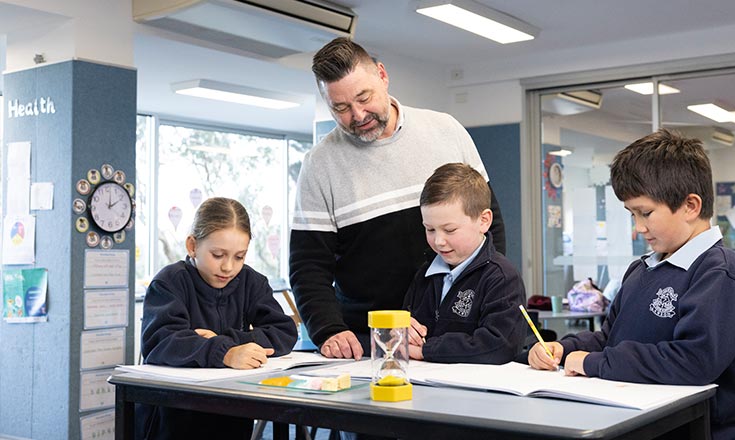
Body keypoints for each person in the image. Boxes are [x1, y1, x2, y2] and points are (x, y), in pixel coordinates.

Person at [527, 129, 735, 440]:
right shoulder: (641, 270)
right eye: (631, 214)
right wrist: (564, 349)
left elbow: (694, 363)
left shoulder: (719, 272)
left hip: (696, 432)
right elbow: (611, 338)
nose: (638, 228)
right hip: (630, 423)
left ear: (691, 206)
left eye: (646, 213)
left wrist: (593, 363)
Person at [290, 37, 506, 360]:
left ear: (382, 75)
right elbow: (308, 266)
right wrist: (328, 329)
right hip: (369, 342)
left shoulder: (446, 130)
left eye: (364, 97)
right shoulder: (320, 164)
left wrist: (484, 299)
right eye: (341, 107)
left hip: (456, 332)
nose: (358, 114)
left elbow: (490, 227)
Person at [137, 197, 298, 440]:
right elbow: (160, 342)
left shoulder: (251, 282)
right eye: (218, 254)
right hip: (173, 420)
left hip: (230, 417)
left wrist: (225, 342)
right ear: (192, 245)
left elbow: (283, 332)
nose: (228, 267)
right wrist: (225, 353)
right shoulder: (169, 283)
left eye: (239, 256)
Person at [403, 163, 525, 364]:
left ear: (484, 221)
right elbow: (406, 322)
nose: (439, 241)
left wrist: (426, 350)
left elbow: (500, 346)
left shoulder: (502, 278)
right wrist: (403, 329)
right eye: (430, 230)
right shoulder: (424, 275)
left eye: (450, 230)